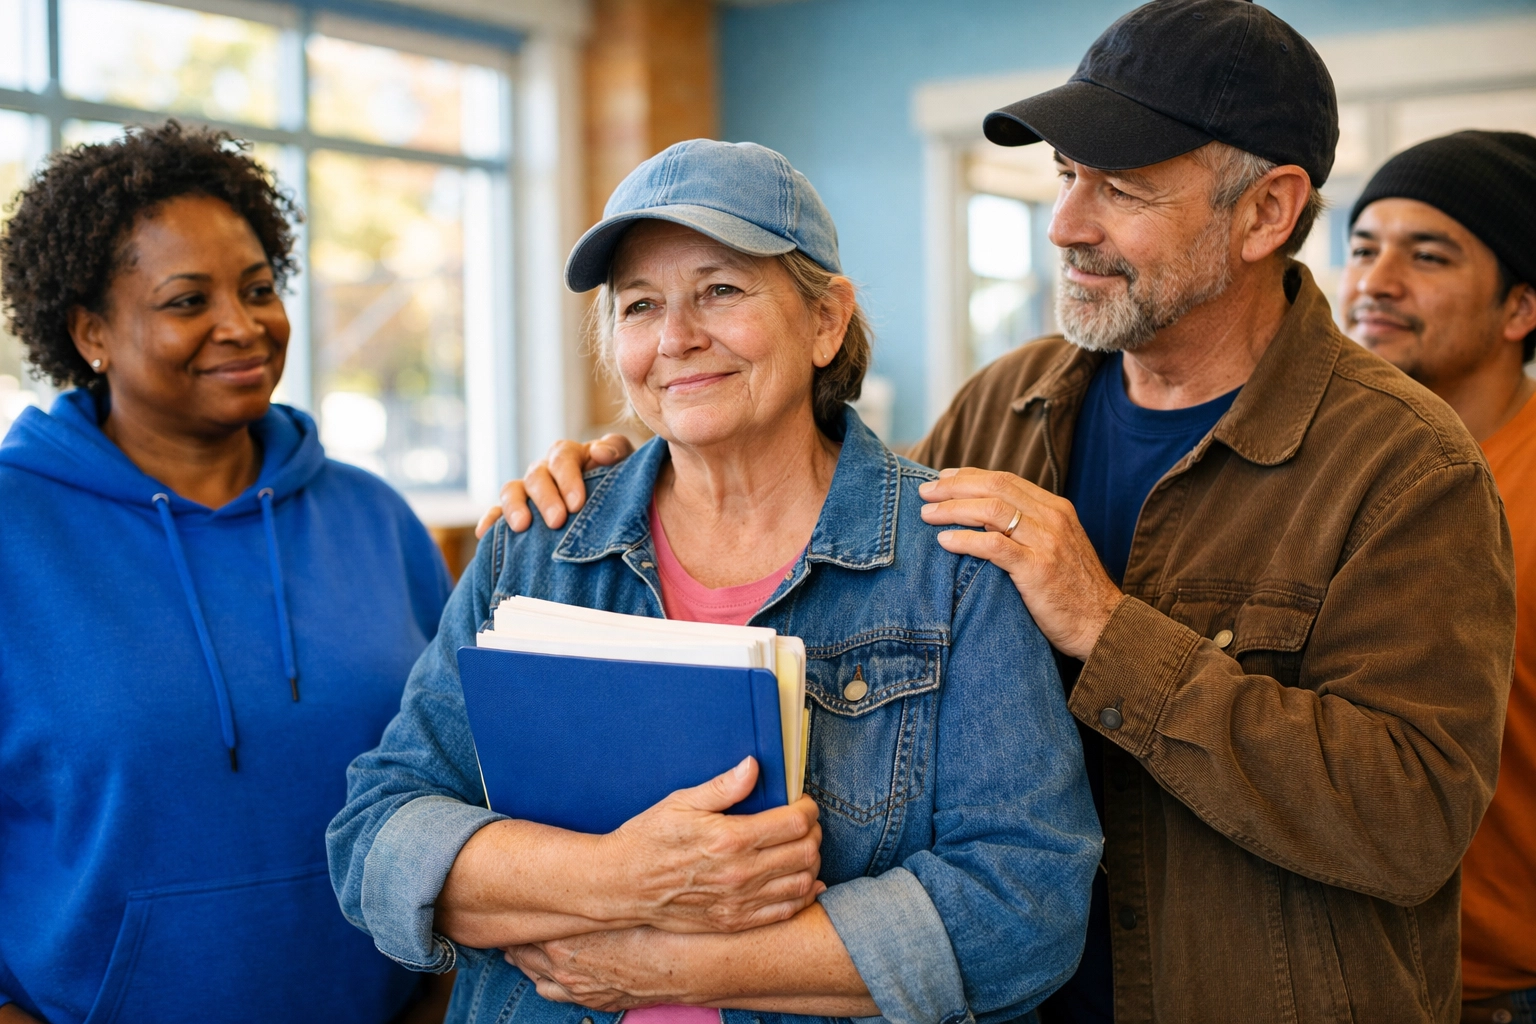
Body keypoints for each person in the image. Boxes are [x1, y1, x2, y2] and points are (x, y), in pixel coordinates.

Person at [480, 3, 1517, 1022]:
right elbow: (830, 541)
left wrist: (1109, 629)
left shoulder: (1408, 468)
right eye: (1066, 176)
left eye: (1121, 188)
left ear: (1266, 212)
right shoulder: (1005, 401)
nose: (1066, 223)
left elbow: (1412, 819)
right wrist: (651, 461)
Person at [327, 139, 1101, 1024]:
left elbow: (1025, 902)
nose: (676, 338)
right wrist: (630, 878)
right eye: (640, 306)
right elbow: (376, 838)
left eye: (721, 290)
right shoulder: (536, 547)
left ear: (825, 321)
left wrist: (665, 967)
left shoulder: (952, 562)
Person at [0, 122, 453, 1024]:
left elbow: (462, 782)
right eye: (186, 301)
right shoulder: (15, 533)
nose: (242, 326)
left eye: (258, 289)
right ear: (91, 331)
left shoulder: (374, 519)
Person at [1339, 130, 1536, 1024]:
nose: (1375, 282)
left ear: (1520, 308)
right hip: (1364, 970)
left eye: (1428, 255)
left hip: (1505, 982)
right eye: (1363, 246)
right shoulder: (1340, 473)